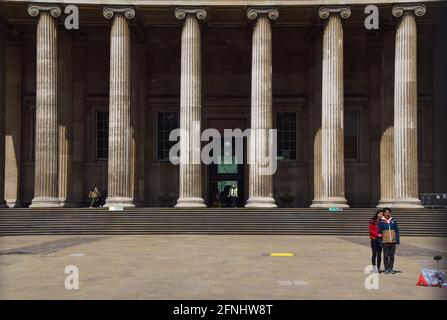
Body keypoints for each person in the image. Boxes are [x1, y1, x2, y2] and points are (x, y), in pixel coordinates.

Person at [378, 208, 400, 274]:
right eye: (386, 212)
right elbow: (379, 232)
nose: (388, 213)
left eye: (389, 212)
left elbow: (397, 230)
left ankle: (391, 268)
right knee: (386, 255)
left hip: (393, 241)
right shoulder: (381, 222)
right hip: (385, 241)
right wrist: (380, 241)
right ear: (384, 213)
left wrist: (397, 240)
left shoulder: (393, 220)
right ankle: (386, 269)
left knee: (392, 256)